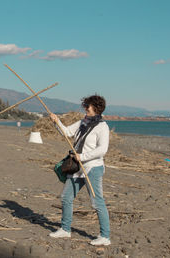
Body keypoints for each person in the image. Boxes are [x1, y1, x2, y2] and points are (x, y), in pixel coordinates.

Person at [49, 94, 111, 246]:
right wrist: (57, 122)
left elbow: (102, 150)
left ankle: (105, 237)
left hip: (93, 168)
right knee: (66, 197)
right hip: (77, 168)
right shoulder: (82, 122)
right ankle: (65, 229)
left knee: (97, 203)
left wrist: (82, 156)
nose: (85, 108)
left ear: (96, 108)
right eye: (85, 105)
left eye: (87, 106)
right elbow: (67, 133)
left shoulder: (102, 127)